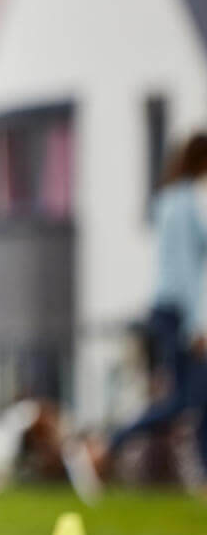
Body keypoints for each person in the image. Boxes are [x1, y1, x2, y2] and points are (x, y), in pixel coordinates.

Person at [101, 132, 207, 483]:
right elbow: (186, 272)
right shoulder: (184, 205)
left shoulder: (171, 201)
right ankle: (110, 444)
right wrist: (197, 325)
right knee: (185, 399)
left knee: (193, 397)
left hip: (169, 309)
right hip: (178, 312)